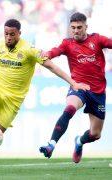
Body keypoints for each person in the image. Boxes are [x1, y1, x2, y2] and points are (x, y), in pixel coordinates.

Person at [0, 18, 89, 172]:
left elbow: (51, 66)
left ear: (19, 34)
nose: (8, 37)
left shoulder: (29, 50)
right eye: (6, 34)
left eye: (12, 34)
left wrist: (73, 83)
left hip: (13, 100)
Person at [39, 12, 112, 163]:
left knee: (95, 134)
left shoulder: (97, 39)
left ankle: (79, 142)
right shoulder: (67, 43)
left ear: (86, 27)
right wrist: (48, 54)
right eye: (73, 28)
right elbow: (55, 51)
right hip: (79, 86)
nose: (76, 31)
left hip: (98, 92)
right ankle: (51, 144)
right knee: (70, 108)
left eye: (79, 27)